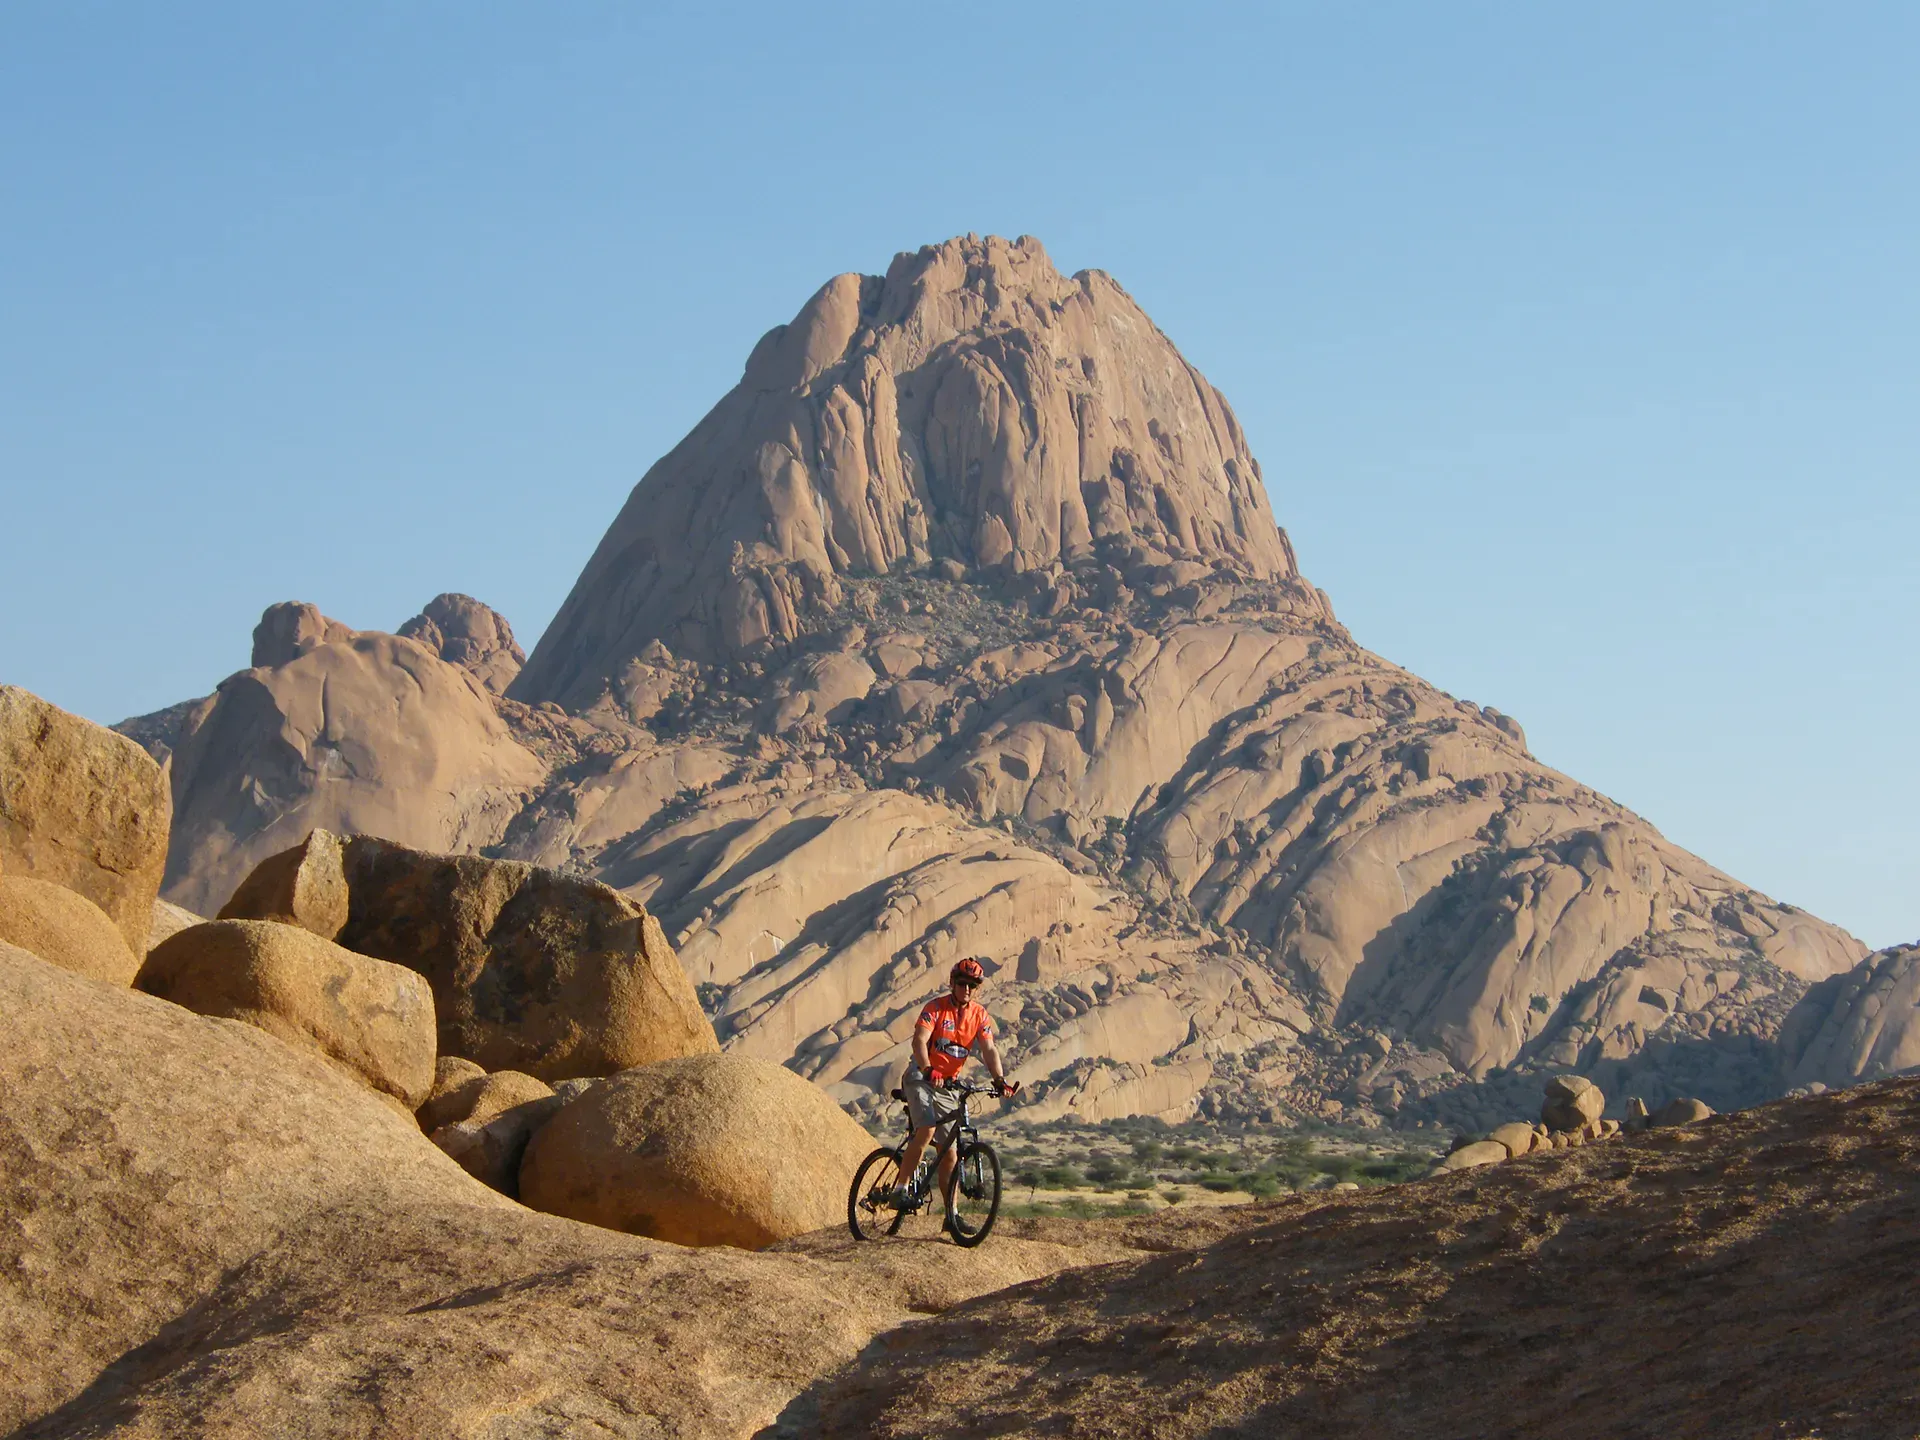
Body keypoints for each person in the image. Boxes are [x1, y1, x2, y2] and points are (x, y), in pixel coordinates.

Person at [890, 957, 1018, 1211]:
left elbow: (989, 1049)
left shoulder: (980, 1015)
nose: (967, 989)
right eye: (962, 983)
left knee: (949, 1152)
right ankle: (899, 1189)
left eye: (973, 985)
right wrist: (928, 1068)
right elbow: (919, 1041)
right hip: (921, 1077)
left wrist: (1000, 1080)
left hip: (948, 1085)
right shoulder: (935, 1008)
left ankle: (952, 1215)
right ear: (952, 983)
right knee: (926, 1130)